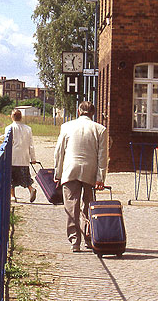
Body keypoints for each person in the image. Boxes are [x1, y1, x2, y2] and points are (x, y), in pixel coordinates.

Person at [53, 101, 108, 252]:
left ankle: (74, 241)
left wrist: (58, 173)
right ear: (93, 113)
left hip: (70, 170)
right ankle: (89, 237)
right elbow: (103, 156)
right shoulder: (100, 129)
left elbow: (59, 152)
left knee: (71, 205)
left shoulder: (66, 127)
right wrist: (100, 178)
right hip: (90, 171)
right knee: (89, 205)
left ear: (78, 111)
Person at [7, 109, 37, 203]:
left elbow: (7, 144)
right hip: (24, 157)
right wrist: (33, 158)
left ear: (12, 117)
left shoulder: (9, 128)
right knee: (25, 176)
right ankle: (31, 189)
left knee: (11, 178)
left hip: (12, 157)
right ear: (21, 117)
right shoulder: (28, 129)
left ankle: (12, 196)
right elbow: (31, 144)